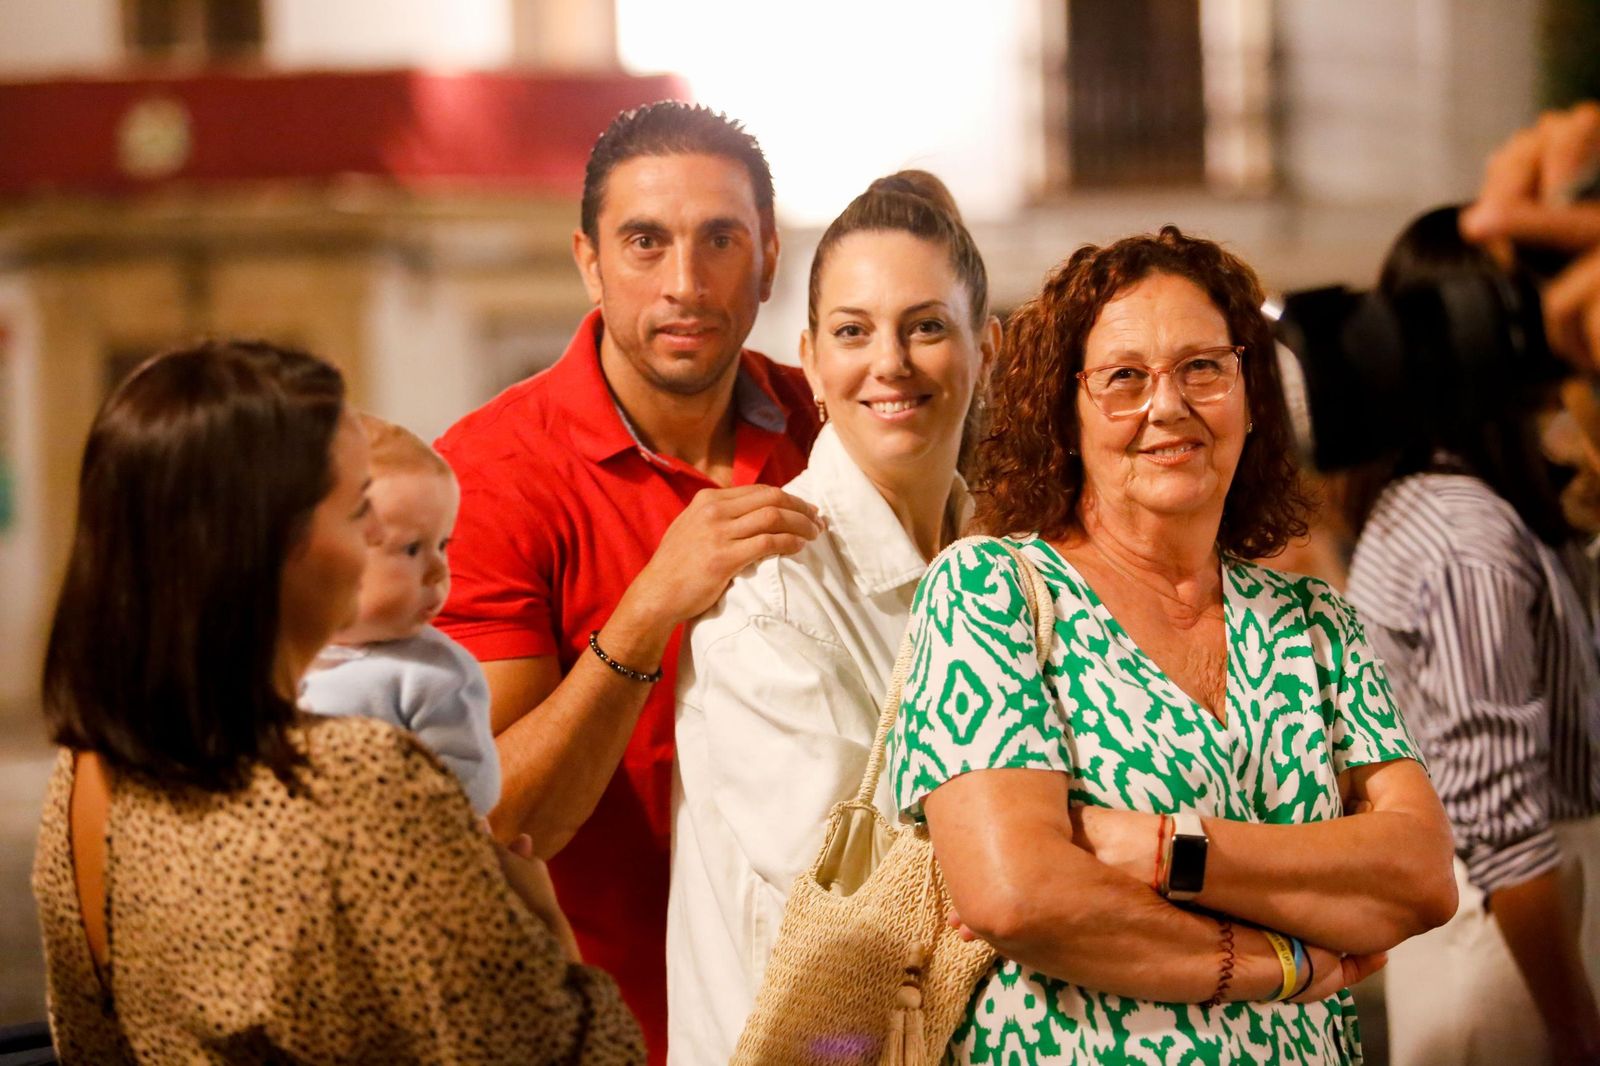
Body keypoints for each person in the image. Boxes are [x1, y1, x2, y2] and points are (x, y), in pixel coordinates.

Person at [890, 227, 1458, 1064]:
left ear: (1250, 392)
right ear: (1064, 410)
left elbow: (1418, 878)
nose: (1168, 406)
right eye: (1124, 378)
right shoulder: (991, 591)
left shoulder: (1313, 621)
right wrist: (1285, 966)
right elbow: (1017, 896)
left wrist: (1162, 847)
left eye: (1204, 368)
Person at [31, 340, 644, 1064]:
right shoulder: (357, 776)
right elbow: (564, 1052)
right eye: (359, 512)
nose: (375, 546)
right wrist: (541, 915)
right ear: (268, 543)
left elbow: (89, 1044)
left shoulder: (88, 775)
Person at [433, 101, 821, 1058]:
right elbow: (498, 821)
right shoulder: (490, 478)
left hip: (830, 1032)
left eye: (719, 240)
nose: (684, 283)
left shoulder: (831, 428)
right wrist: (648, 610)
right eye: (645, 242)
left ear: (768, 257)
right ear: (588, 261)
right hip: (611, 1036)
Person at [668, 170, 999, 1062]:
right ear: (812, 360)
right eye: (853, 332)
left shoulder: (1004, 569)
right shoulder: (773, 590)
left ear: (986, 349)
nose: (888, 362)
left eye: (926, 326)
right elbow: (864, 912)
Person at [1342, 207, 1600, 1066]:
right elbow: (1499, 824)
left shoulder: (1453, 502)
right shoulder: (1465, 534)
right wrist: (1575, 1027)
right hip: (1508, 952)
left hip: (1510, 937)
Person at [301, 414, 500, 816]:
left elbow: (470, 789)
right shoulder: (259, 654)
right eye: (411, 549)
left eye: (442, 544)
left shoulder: (433, 673)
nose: (439, 570)